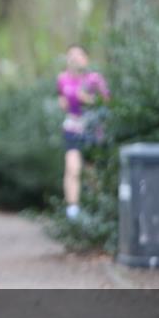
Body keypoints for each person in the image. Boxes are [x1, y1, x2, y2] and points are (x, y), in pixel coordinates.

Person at [56, 45, 110, 220]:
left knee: (92, 172)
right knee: (72, 168)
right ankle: (72, 210)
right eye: (71, 55)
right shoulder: (62, 79)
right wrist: (64, 103)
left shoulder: (94, 79)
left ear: (86, 59)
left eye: (78, 55)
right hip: (72, 127)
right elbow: (63, 101)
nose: (74, 58)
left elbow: (106, 101)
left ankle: (96, 210)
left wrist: (86, 99)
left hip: (92, 129)